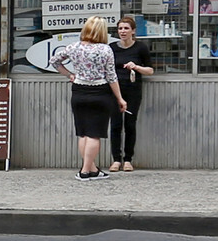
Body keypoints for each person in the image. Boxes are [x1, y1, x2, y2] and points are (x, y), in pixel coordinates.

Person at [50, 16, 126, 180]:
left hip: (79, 91)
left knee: (83, 133)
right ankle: (85, 171)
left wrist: (70, 75)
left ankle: (92, 169)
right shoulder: (105, 50)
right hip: (99, 92)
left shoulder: (74, 47)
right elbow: (112, 77)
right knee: (94, 134)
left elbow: (54, 61)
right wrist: (120, 98)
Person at [107, 15, 154, 172]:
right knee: (115, 125)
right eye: (120, 28)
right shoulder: (112, 48)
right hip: (114, 91)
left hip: (133, 90)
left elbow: (150, 70)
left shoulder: (140, 48)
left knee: (130, 124)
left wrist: (136, 67)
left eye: (126, 28)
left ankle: (128, 159)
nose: (123, 31)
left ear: (133, 31)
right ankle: (116, 160)